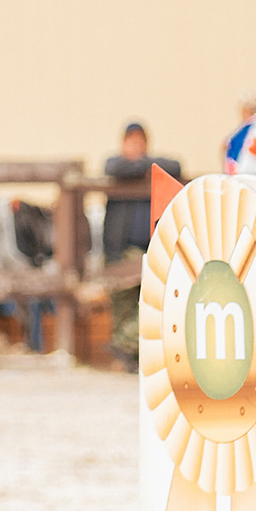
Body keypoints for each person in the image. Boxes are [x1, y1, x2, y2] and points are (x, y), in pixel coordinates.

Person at [102, 122, 181, 362]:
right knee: (122, 306)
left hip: (147, 248)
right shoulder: (117, 167)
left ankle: (122, 345)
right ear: (123, 144)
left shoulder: (154, 167)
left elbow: (175, 165)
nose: (135, 147)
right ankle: (128, 358)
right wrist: (141, 168)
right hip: (119, 248)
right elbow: (112, 167)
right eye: (131, 142)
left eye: (140, 142)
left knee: (150, 303)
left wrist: (144, 165)